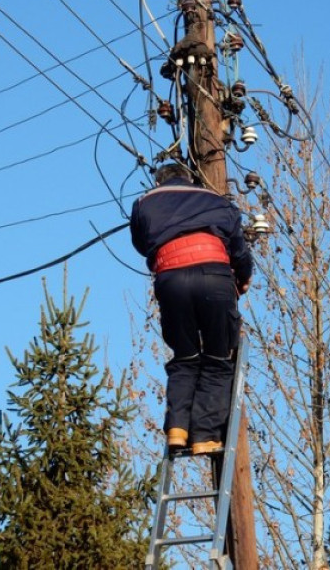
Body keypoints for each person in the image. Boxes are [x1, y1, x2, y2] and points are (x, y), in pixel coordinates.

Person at [130, 162, 253, 455]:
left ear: (160, 182)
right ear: (190, 180)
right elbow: (238, 249)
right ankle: (206, 435)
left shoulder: (143, 203)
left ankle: (177, 429)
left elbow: (140, 242)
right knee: (218, 356)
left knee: (185, 357)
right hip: (214, 276)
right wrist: (243, 277)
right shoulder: (217, 201)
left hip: (170, 278)